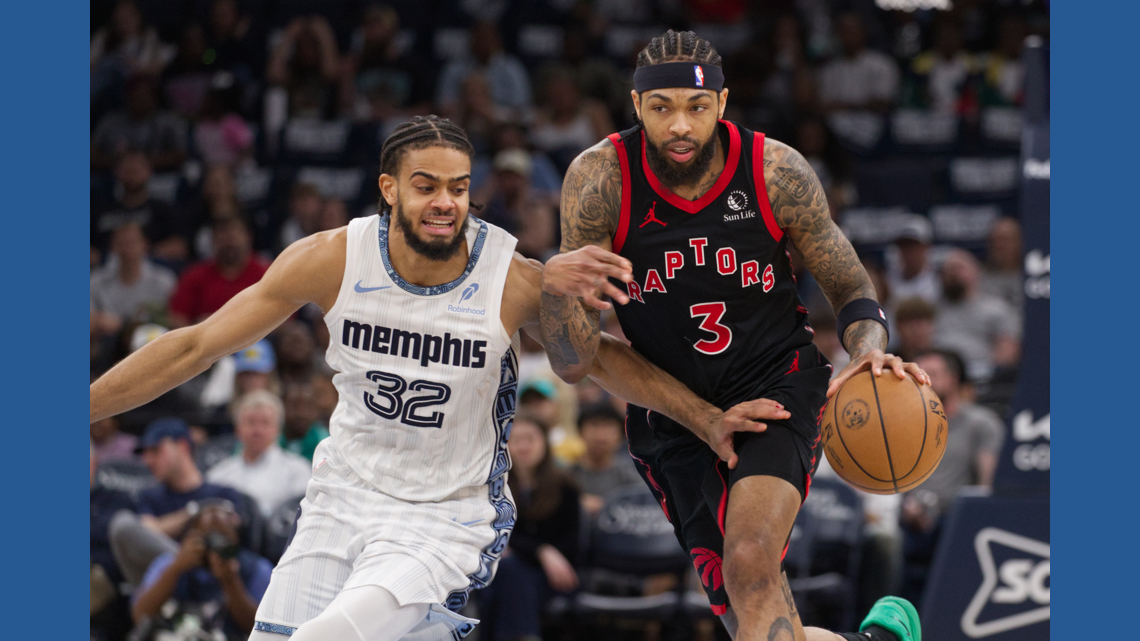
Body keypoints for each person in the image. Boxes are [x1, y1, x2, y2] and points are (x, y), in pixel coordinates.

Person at [91, 115, 787, 641]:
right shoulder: (330, 258)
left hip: (442, 517)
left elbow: (603, 357)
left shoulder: (511, 278)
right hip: (341, 498)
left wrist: (704, 416)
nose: (445, 202)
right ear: (389, 187)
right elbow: (194, 345)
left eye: (458, 187)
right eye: (426, 186)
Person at [539, 31, 930, 641]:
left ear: (722, 104)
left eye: (696, 107)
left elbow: (849, 282)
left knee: (750, 560)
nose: (680, 125)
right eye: (662, 106)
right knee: (755, 617)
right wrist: (559, 290)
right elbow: (572, 361)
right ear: (636, 106)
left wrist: (868, 352)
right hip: (671, 413)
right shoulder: (600, 180)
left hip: (776, 386)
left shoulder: (774, 170)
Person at [900, 350, 1004, 603]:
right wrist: (908, 505)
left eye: (933, 374)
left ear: (953, 379)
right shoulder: (905, 422)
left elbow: (986, 487)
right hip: (912, 516)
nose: (925, 380)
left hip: (955, 518)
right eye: (920, 375)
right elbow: (895, 477)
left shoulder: (980, 423)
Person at [476, 413, 580, 641]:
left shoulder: (566, 486)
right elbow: (493, 536)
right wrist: (541, 550)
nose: (524, 446)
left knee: (505, 579)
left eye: (530, 438)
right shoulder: (492, 488)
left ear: (545, 442)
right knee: (505, 573)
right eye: (516, 439)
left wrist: (539, 552)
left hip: (553, 578)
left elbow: (572, 546)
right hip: (507, 573)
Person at [109, 418, 248, 588]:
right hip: (167, 586)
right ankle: (189, 569)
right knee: (121, 523)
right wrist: (193, 512)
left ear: (182, 446)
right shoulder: (149, 496)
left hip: (219, 580)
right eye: (145, 454)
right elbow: (147, 531)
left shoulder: (223, 492)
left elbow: (235, 533)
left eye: (156, 450)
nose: (148, 461)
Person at [131, 499, 273, 638]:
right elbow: (141, 615)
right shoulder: (169, 563)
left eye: (224, 537)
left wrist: (230, 581)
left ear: (237, 536)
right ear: (192, 536)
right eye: (210, 537)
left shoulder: (256, 569)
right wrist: (175, 569)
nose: (216, 546)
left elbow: (263, 631)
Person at [207, 390, 312, 517]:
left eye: (265, 423)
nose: (257, 430)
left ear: (278, 429)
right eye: (251, 422)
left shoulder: (299, 471)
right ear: (237, 428)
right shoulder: (218, 476)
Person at [168, 214, 270, 328]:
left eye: (234, 235)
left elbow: (283, 317)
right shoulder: (195, 275)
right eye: (223, 235)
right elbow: (177, 318)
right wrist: (197, 328)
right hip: (207, 340)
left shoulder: (266, 273)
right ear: (213, 240)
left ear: (249, 237)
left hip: (257, 338)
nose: (230, 241)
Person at [934, 249, 1020, 384]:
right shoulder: (932, 309)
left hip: (983, 379)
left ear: (976, 272)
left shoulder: (996, 308)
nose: (952, 274)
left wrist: (989, 376)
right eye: (948, 270)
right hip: (936, 378)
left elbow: (1007, 351)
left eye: (958, 268)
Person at [570, 403, 642, 516]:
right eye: (594, 425)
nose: (601, 434)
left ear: (621, 435)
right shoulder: (566, 476)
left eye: (608, 426)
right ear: (580, 431)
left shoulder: (634, 475)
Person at [280, 382, 330, 461]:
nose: (301, 413)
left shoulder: (326, 442)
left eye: (308, 407)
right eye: (294, 405)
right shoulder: (273, 438)